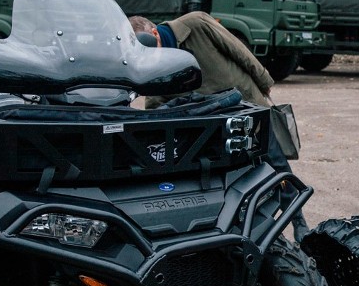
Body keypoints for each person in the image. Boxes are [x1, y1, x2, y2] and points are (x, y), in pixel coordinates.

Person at [129, 13, 311, 242]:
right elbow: (156, 103)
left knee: (275, 163)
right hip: (211, 128)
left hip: (247, 107)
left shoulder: (195, 25)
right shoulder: (154, 64)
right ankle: (257, 233)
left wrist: (264, 81)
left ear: (154, 33)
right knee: (236, 179)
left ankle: (298, 221)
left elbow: (237, 50)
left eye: (148, 46)